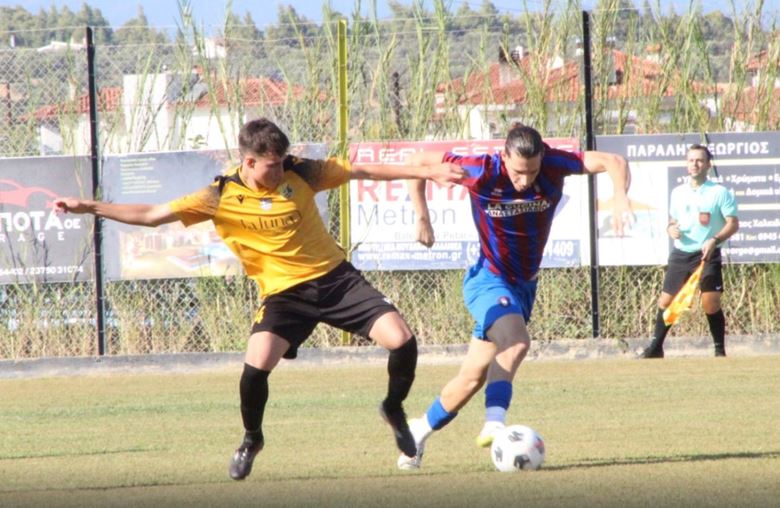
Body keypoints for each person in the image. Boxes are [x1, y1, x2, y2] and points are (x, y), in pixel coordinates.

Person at [54, 117, 466, 480]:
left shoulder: (302, 172)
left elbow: (363, 170)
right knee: (255, 366)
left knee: (402, 339)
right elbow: (150, 216)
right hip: (284, 295)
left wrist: (428, 171)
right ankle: (252, 438)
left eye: (283, 162)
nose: (280, 170)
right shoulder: (219, 196)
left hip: (335, 280)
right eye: (272, 165)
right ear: (249, 162)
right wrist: (88, 207)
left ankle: (393, 407)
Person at [398, 123, 632, 469]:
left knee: (471, 378)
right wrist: (422, 216)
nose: (525, 181)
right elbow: (416, 161)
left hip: (524, 287)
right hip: (488, 280)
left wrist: (620, 197)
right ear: (504, 157)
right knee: (517, 343)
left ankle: (415, 433)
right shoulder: (481, 170)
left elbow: (614, 161)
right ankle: (495, 423)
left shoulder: (554, 164)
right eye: (518, 172)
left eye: (532, 171)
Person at [638, 144, 739, 359]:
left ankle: (719, 351)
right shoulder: (678, 192)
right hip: (681, 254)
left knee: (710, 302)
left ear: (708, 165)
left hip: (707, 254)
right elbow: (673, 221)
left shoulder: (719, 192)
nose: (695, 164)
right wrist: (670, 228)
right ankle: (656, 348)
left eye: (700, 160)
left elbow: (733, 224)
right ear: (687, 164)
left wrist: (714, 240)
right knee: (666, 301)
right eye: (691, 160)